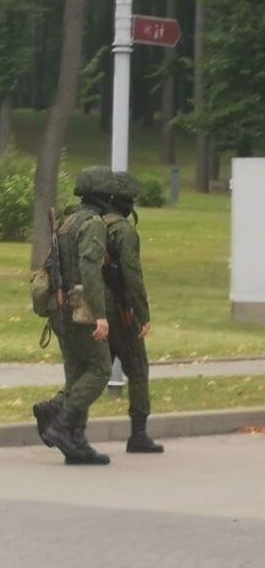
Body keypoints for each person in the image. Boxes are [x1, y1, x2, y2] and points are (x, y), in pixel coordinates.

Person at [31, 167, 114, 465]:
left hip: (60, 308)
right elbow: (90, 268)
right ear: (104, 196)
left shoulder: (68, 221)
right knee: (100, 369)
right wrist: (100, 316)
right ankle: (61, 418)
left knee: (78, 374)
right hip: (80, 309)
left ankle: (75, 442)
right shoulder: (92, 223)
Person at [103, 171, 162, 454]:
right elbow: (131, 275)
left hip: (97, 309)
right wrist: (143, 312)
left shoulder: (94, 225)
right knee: (137, 368)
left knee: (94, 370)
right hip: (121, 312)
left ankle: (65, 418)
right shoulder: (124, 231)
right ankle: (138, 434)